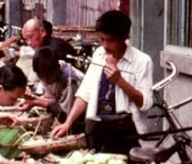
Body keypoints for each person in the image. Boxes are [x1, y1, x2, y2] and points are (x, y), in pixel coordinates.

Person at [51, 10, 154, 154]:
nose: (105, 45)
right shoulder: (99, 54)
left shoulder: (142, 61)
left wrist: (120, 81)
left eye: (110, 40)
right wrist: (68, 122)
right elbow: (85, 93)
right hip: (98, 126)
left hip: (125, 131)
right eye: (101, 39)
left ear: (125, 37)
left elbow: (146, 103)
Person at [21, 47, 84, 128]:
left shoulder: (70, 80)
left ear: (56, 69)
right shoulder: (44, 72)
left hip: (79, 119)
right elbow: (52, 99)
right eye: (41, 77)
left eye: (48, 76)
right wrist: (33, 99)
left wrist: (35, 102)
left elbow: (64, 112)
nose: (45, 81)